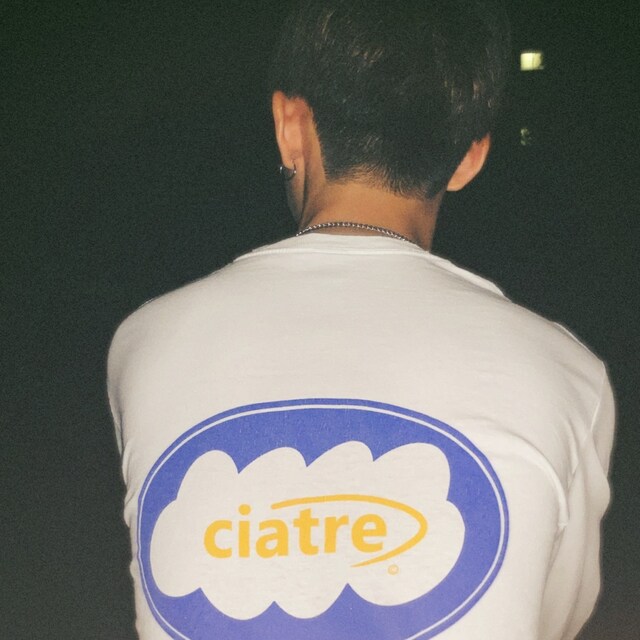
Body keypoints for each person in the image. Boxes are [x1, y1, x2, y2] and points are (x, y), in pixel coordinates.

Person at [107, 1, 615, 638]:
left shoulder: (146, 344)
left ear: (290, 127)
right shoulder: (567, 376)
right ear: (470, 157)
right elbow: (546, 614)